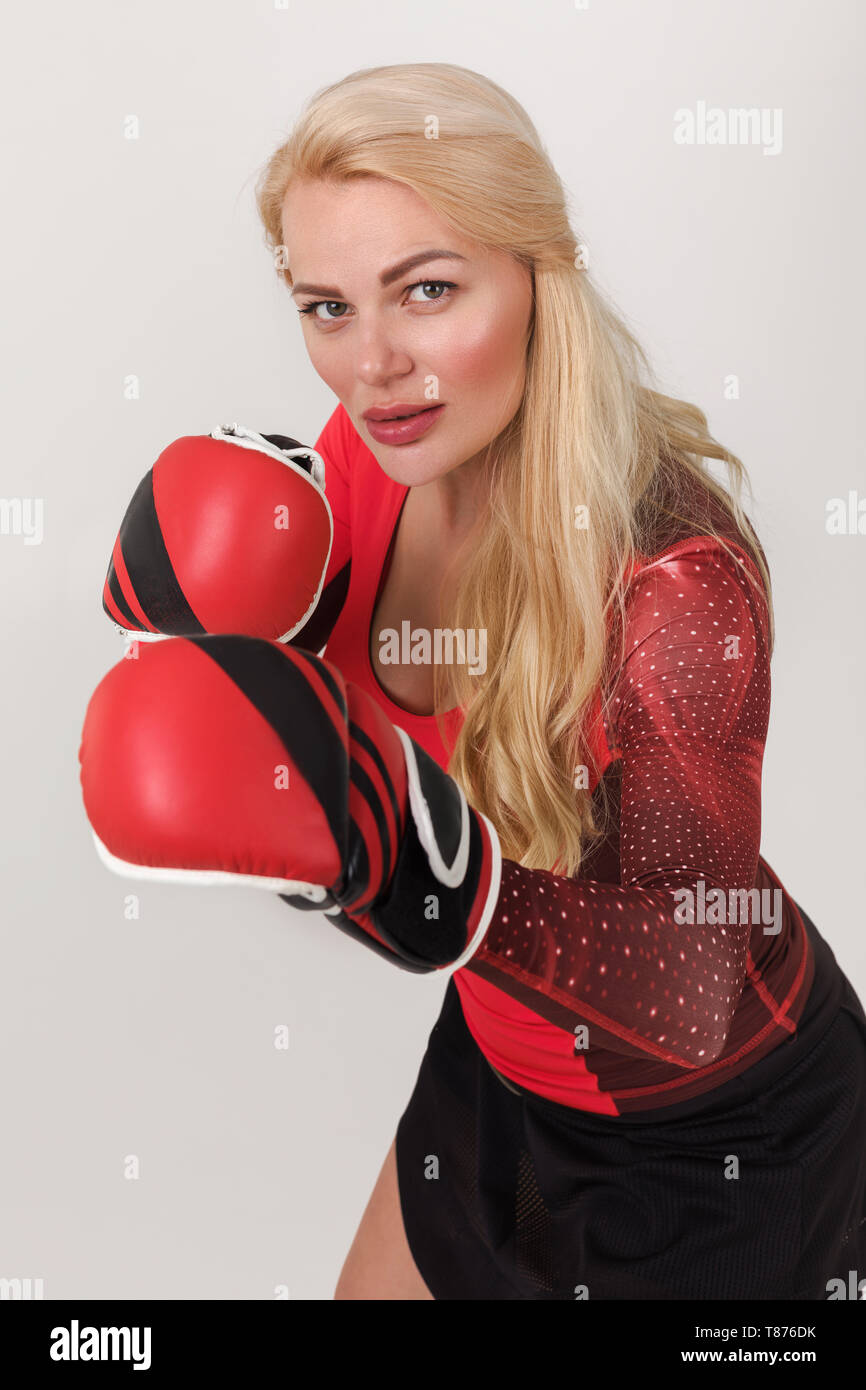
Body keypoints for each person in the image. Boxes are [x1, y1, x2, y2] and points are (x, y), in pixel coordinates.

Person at [80, 61, 866, 1302]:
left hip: (718, 1144)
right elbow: (330, 769)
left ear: (537, 273)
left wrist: (432, 878)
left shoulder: (673, 580)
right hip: (503, 1067)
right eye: (325, 308)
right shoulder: (368, 457)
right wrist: (239, 641)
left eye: (426, 291)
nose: (370, 366)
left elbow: (695, 975)